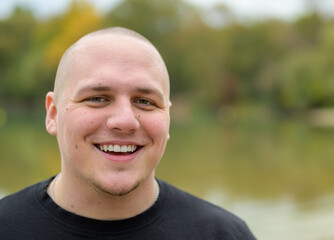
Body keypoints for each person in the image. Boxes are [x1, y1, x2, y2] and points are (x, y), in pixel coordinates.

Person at [0, 27, 256, 239]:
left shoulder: (223, 234)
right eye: (98, 98)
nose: (124, 121)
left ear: (167, 119)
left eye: (145, 101)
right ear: (53, 114)